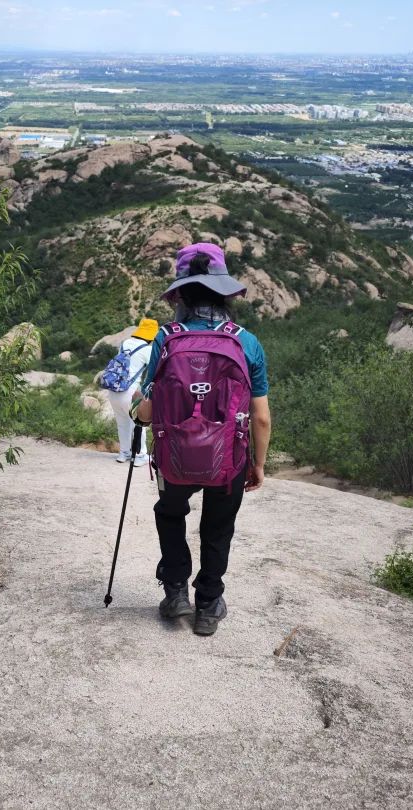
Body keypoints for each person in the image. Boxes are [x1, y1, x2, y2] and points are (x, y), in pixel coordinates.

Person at [133, 243, 271, 636]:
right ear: (225, 292)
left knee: (170, 513)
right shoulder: (247, 342)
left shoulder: (166, 337)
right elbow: (260, 416)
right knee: (218, 525)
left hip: (176, 457)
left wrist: (136, 412)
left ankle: (176, 593)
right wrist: (258, 464)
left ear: (181, 294)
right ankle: (208, 604)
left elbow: (148, 409)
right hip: (230, 457)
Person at [105, 317, 158, 466]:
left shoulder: (125, 343)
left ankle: (124, 453)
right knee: (139, 423)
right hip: (130, 392)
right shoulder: (148, 349)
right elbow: (154, 370)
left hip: (114, 390)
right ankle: (140, 456)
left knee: (122, 424)